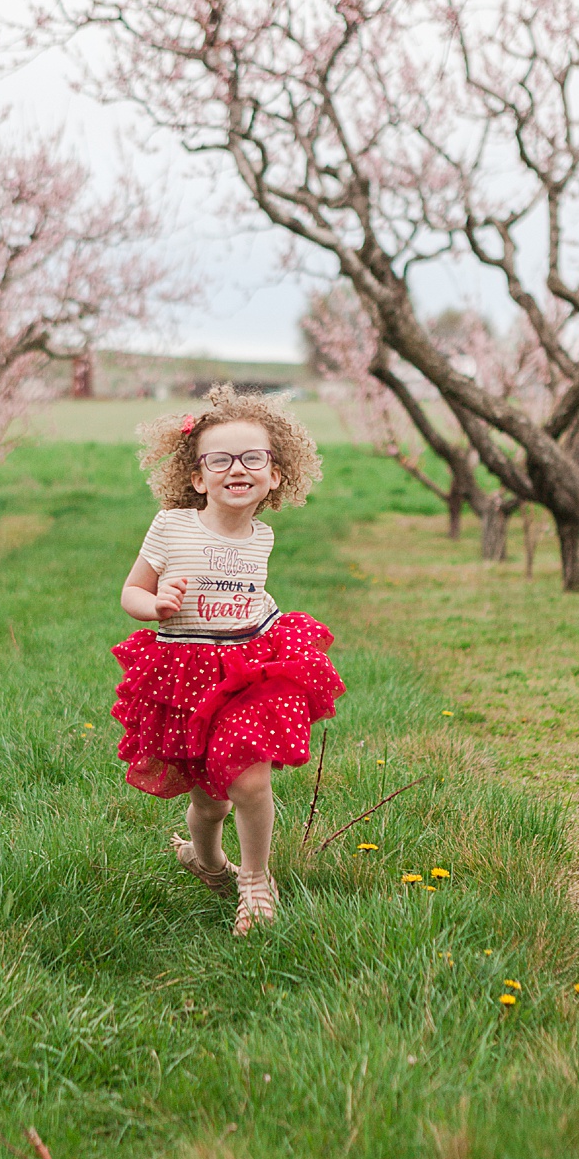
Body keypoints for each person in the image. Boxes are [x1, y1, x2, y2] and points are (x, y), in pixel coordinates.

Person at [111, 384, 345, 937]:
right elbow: (130, 592)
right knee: (210, 804)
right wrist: (156, 604)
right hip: (186, 670)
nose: (236, 470)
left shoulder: (261, 535)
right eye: (220, 460)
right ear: (197, 477)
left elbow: (249, 595)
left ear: (275, 474)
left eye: (252, 459)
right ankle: (209, 861)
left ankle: (257, 881)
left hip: (248, 667)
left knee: (249, 781)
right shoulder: (171, 525)